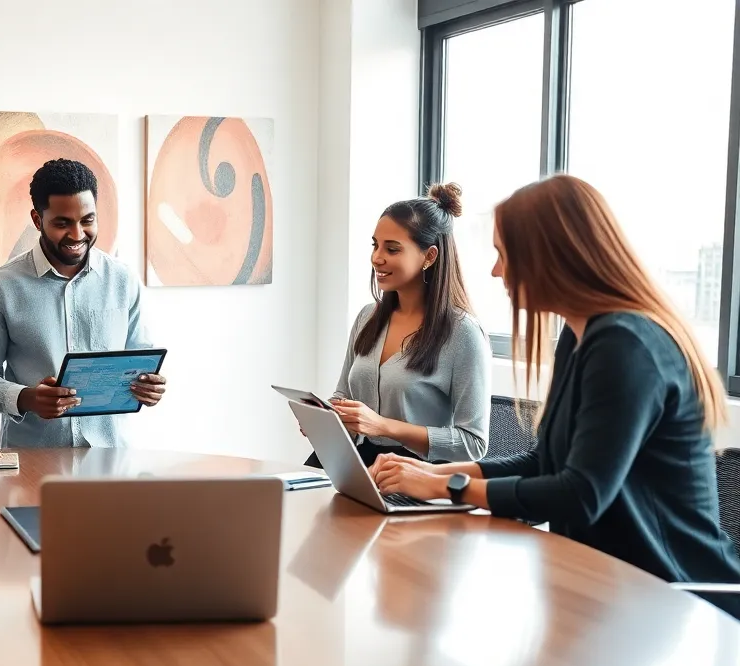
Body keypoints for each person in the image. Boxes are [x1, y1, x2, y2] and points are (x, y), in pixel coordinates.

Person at [371, 174, 740, 618]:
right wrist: (436, 471)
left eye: (503, 255)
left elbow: (580, 493)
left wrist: (445, 486)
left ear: (551, 256)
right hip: (606, 587)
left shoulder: (626, 346)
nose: (496, 271)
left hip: (678, 599)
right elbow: (546, 462)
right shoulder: (579, 334)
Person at [0, 159, 166, 449]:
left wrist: (150, 386)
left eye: (87, 220)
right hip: (32, 457)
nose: (77, 234)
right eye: (62, 223)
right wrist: (25, 398)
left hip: (111, 457)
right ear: (37, 220)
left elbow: (141, 359)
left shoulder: (123, 279)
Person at [301, 183, 490, 467]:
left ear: (429, 257)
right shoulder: (367, 317)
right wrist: (328, 418)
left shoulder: (463, 333)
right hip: (353, 461)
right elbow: (344, 395)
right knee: (281, 501)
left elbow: (473, 444)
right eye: (375, 245)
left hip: (415, 472)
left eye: (392, 248)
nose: (377, 257)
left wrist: (383, 426)